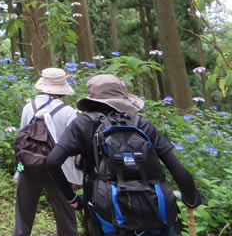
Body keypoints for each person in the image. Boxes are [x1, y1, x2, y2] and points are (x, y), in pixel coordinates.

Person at [47, 74, 201, 236]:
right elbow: (179, 171)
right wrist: (190, 199)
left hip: (106, 209)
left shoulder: (82, 124)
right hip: (155, 208)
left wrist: (74, 200)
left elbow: (52, 162)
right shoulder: (142, 125)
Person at [12, 67, 80, 236]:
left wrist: (18, 172)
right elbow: (73, 148)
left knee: (23, 217)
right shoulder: (69, 112)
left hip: (27, 167)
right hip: (58, 170)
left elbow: (21, 144)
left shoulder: (29, 107)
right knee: (66, 218)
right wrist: (75, 177)